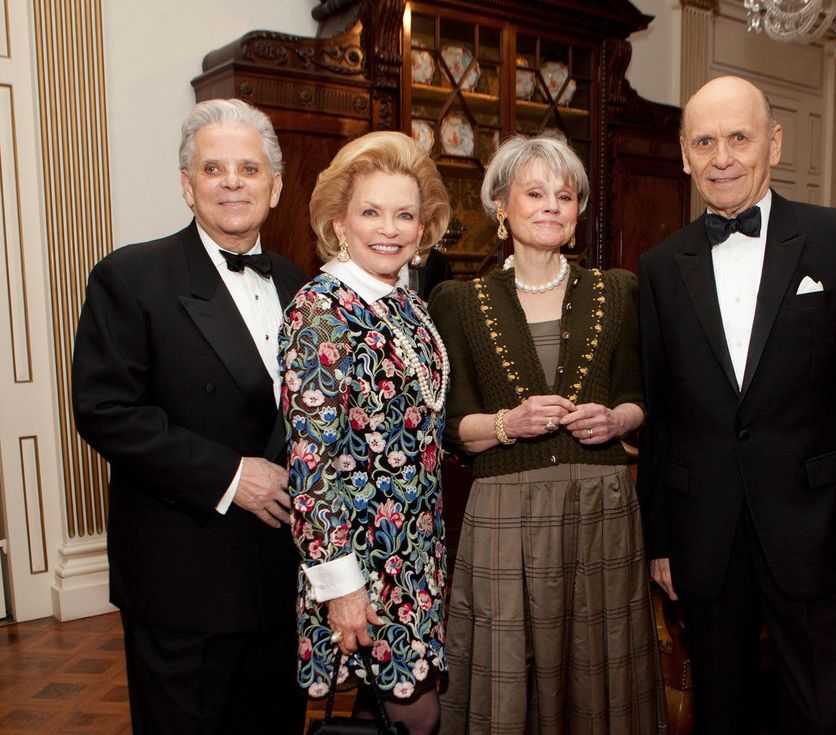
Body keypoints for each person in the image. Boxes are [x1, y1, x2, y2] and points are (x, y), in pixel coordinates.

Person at [637, 75, 836, 734]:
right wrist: (660, 539)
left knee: (820, 708)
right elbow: (661, 412)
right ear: (683, 153)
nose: (721, 156)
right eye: (705, 141)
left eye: (738, 137)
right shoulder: (662, 265)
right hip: (705, 533)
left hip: (812, 527)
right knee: (721, 710)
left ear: (773, 143)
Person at [71, 99, 308, 734]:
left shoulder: (301, 285)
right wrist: (234, 477)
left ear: (276, 186)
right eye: (213, 168)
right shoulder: (131, 276)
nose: (233, 181)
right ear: (187, 185)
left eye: (249, 168)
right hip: (184, 576)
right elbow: (106, 411)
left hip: (280, 574)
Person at [429, 135, 660, 734]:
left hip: (602, 506)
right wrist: (510, 423)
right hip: (505, 509)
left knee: (599, 663)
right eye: (535, 193)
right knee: (509, 671)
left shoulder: (619, 290)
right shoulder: (457, 300)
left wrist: (615, 420)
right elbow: (452, 426)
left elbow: (641, 399)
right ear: (501, 206)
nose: (552, 206)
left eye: (565, 195)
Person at [279, 131, 452, 735]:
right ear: (338, 221)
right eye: (371, 211)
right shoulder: (322, 308)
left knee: (387, 718)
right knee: (416, 716)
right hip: (363, 565)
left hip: (412, 553)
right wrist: (341, 587)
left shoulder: (405, 302)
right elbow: (312, 462)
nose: (390, 228)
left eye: (405, 214)